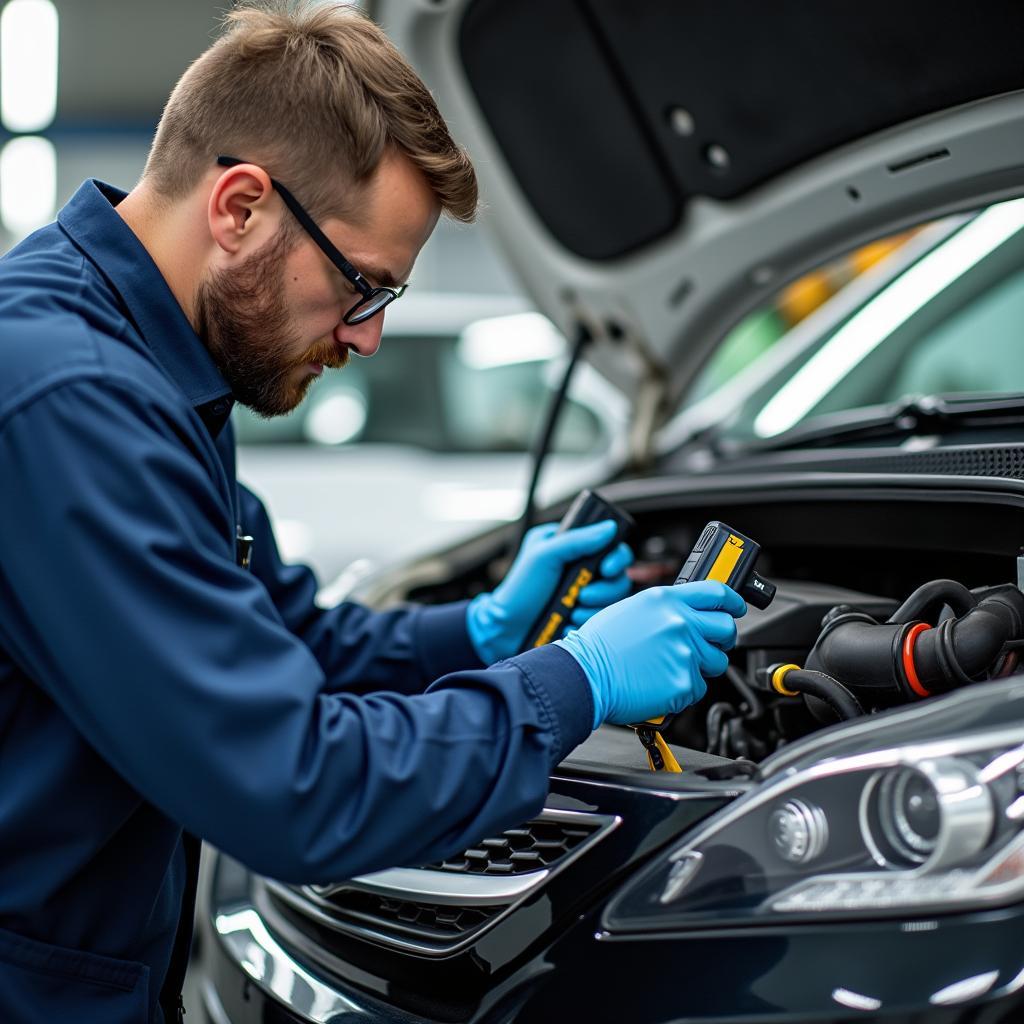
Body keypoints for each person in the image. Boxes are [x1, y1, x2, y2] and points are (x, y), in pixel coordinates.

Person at [0, 4, 745, 1021]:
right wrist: (574, 679)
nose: (370, 337)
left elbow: (282, 636)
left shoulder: (148, 369)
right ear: (240, 208)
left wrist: (479, 630)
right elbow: (292, 784)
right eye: (362, 286)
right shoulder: (70, 400)